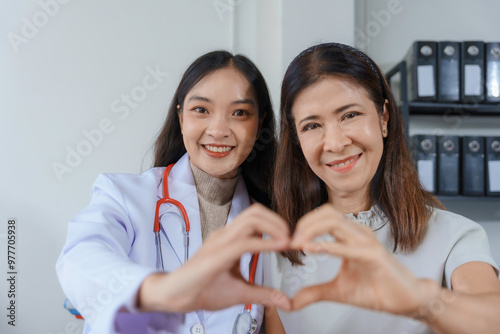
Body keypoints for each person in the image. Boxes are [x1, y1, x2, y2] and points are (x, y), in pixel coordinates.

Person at [269, 42, 500, 334]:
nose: (336, 143)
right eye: (312, 126)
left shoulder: (455, 235)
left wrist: (417, 298)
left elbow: (493, 321)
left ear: (384, 118)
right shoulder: (275, 250)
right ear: (297, 141)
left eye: (350, 115)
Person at [56, 50, 292, 334]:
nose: (218, 130)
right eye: (201, 110)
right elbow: (80, 258)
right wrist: (159, 289)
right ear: (181, 116)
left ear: (259, 123)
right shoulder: (124, 196)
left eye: (239, 113)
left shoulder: (269, 227)